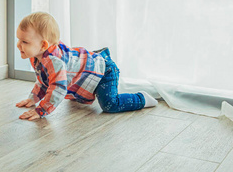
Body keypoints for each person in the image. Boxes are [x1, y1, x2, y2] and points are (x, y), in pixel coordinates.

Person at [15, 12, 158, 121]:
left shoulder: (55, 61)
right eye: (18, 40)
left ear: (43, 45)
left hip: (105, 71)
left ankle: (142, 99)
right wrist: (33, 98)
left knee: (110, 105)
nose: (18, 45)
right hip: (89, 69)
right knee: (74, 97)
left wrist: (41, 110)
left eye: (24, 42)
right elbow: (44, 82)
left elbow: (57, 88)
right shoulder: (36, 58)